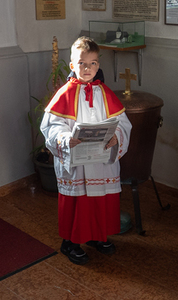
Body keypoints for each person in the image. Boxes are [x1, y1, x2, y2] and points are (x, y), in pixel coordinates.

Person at [40, 37, 132, 265]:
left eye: (93, 63)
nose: (88, 68)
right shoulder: (64, 93)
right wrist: (64, 139)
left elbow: (123, 123)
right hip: (76, 163)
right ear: (72, 65)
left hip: (101, 162)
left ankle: (96, 237)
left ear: (98, 65)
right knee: (77, 202)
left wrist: (116, 138)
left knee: (100, 201)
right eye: (82, 63)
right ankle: (69, 243)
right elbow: (52, 126)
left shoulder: (105, 93)